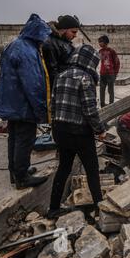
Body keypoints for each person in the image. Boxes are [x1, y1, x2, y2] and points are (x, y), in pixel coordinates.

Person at [0, 14, 51, 189]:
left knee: (14, 138)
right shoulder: (28, 51)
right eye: (44, 35)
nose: (45, 39)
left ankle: (16, 172)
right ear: (37, 34)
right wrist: (41, 110)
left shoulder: (14, 45)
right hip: (23, 104)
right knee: (25, 139)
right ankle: (22, 178)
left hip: (11, 103)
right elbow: (32, 84)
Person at [48, 45, 106, 218]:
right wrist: (100, 130)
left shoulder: (60, 76)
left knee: (63, 168)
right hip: (80, 133)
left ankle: (53, 208)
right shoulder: (85, 79)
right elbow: (90, 110)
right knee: (92, 170)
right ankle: (99, 208)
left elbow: (53, 105)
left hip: (60, 131)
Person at [42, 15, 79, 88]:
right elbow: (52, 72)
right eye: (73, 32)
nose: (75, 35)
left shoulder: (65, 42)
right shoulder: (50, 43)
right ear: (64, 29)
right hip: (57, 88)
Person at [98, 35, 120, 108]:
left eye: (101, 42)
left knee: (110, 90)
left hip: (110, 74)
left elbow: (117, 62)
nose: (99, 43)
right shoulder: (100, 51)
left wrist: (115, 73)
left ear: (105, 42)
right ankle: (102, 104)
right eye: (99, 42)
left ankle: (111, 105)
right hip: (102, 74)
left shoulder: (111, 51)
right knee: (101, 89)